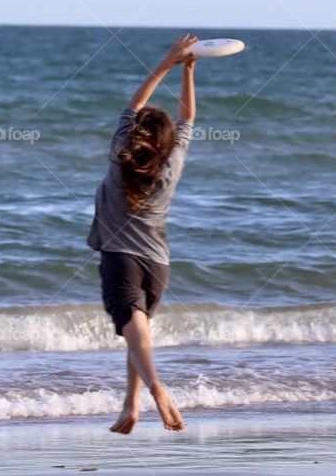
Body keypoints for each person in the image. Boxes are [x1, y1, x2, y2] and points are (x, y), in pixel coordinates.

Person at [87, 32, 199, 434]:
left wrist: (166, 63)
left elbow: (133, 106)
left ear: (135, 136)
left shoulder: (120, 157)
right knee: (138, 338)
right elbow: (187, 120)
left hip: (120, 259)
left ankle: (156, 388)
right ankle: (130, 405)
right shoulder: (172, 167)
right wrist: (188, 71)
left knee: (137, 337)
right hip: (158, 264)